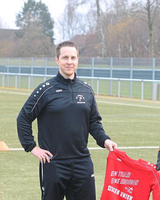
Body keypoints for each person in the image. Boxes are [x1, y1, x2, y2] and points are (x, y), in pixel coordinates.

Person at [17, 41, 117, 200]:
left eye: (73, 57)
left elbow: (93, 123)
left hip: (82, 162)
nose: (69, 62)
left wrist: (105, 140)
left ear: (77, 60)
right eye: (65, 58)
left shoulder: (86, 90)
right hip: (53, 162)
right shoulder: (46, 90)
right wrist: (32, 147)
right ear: (57, 60)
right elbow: (23, 117)